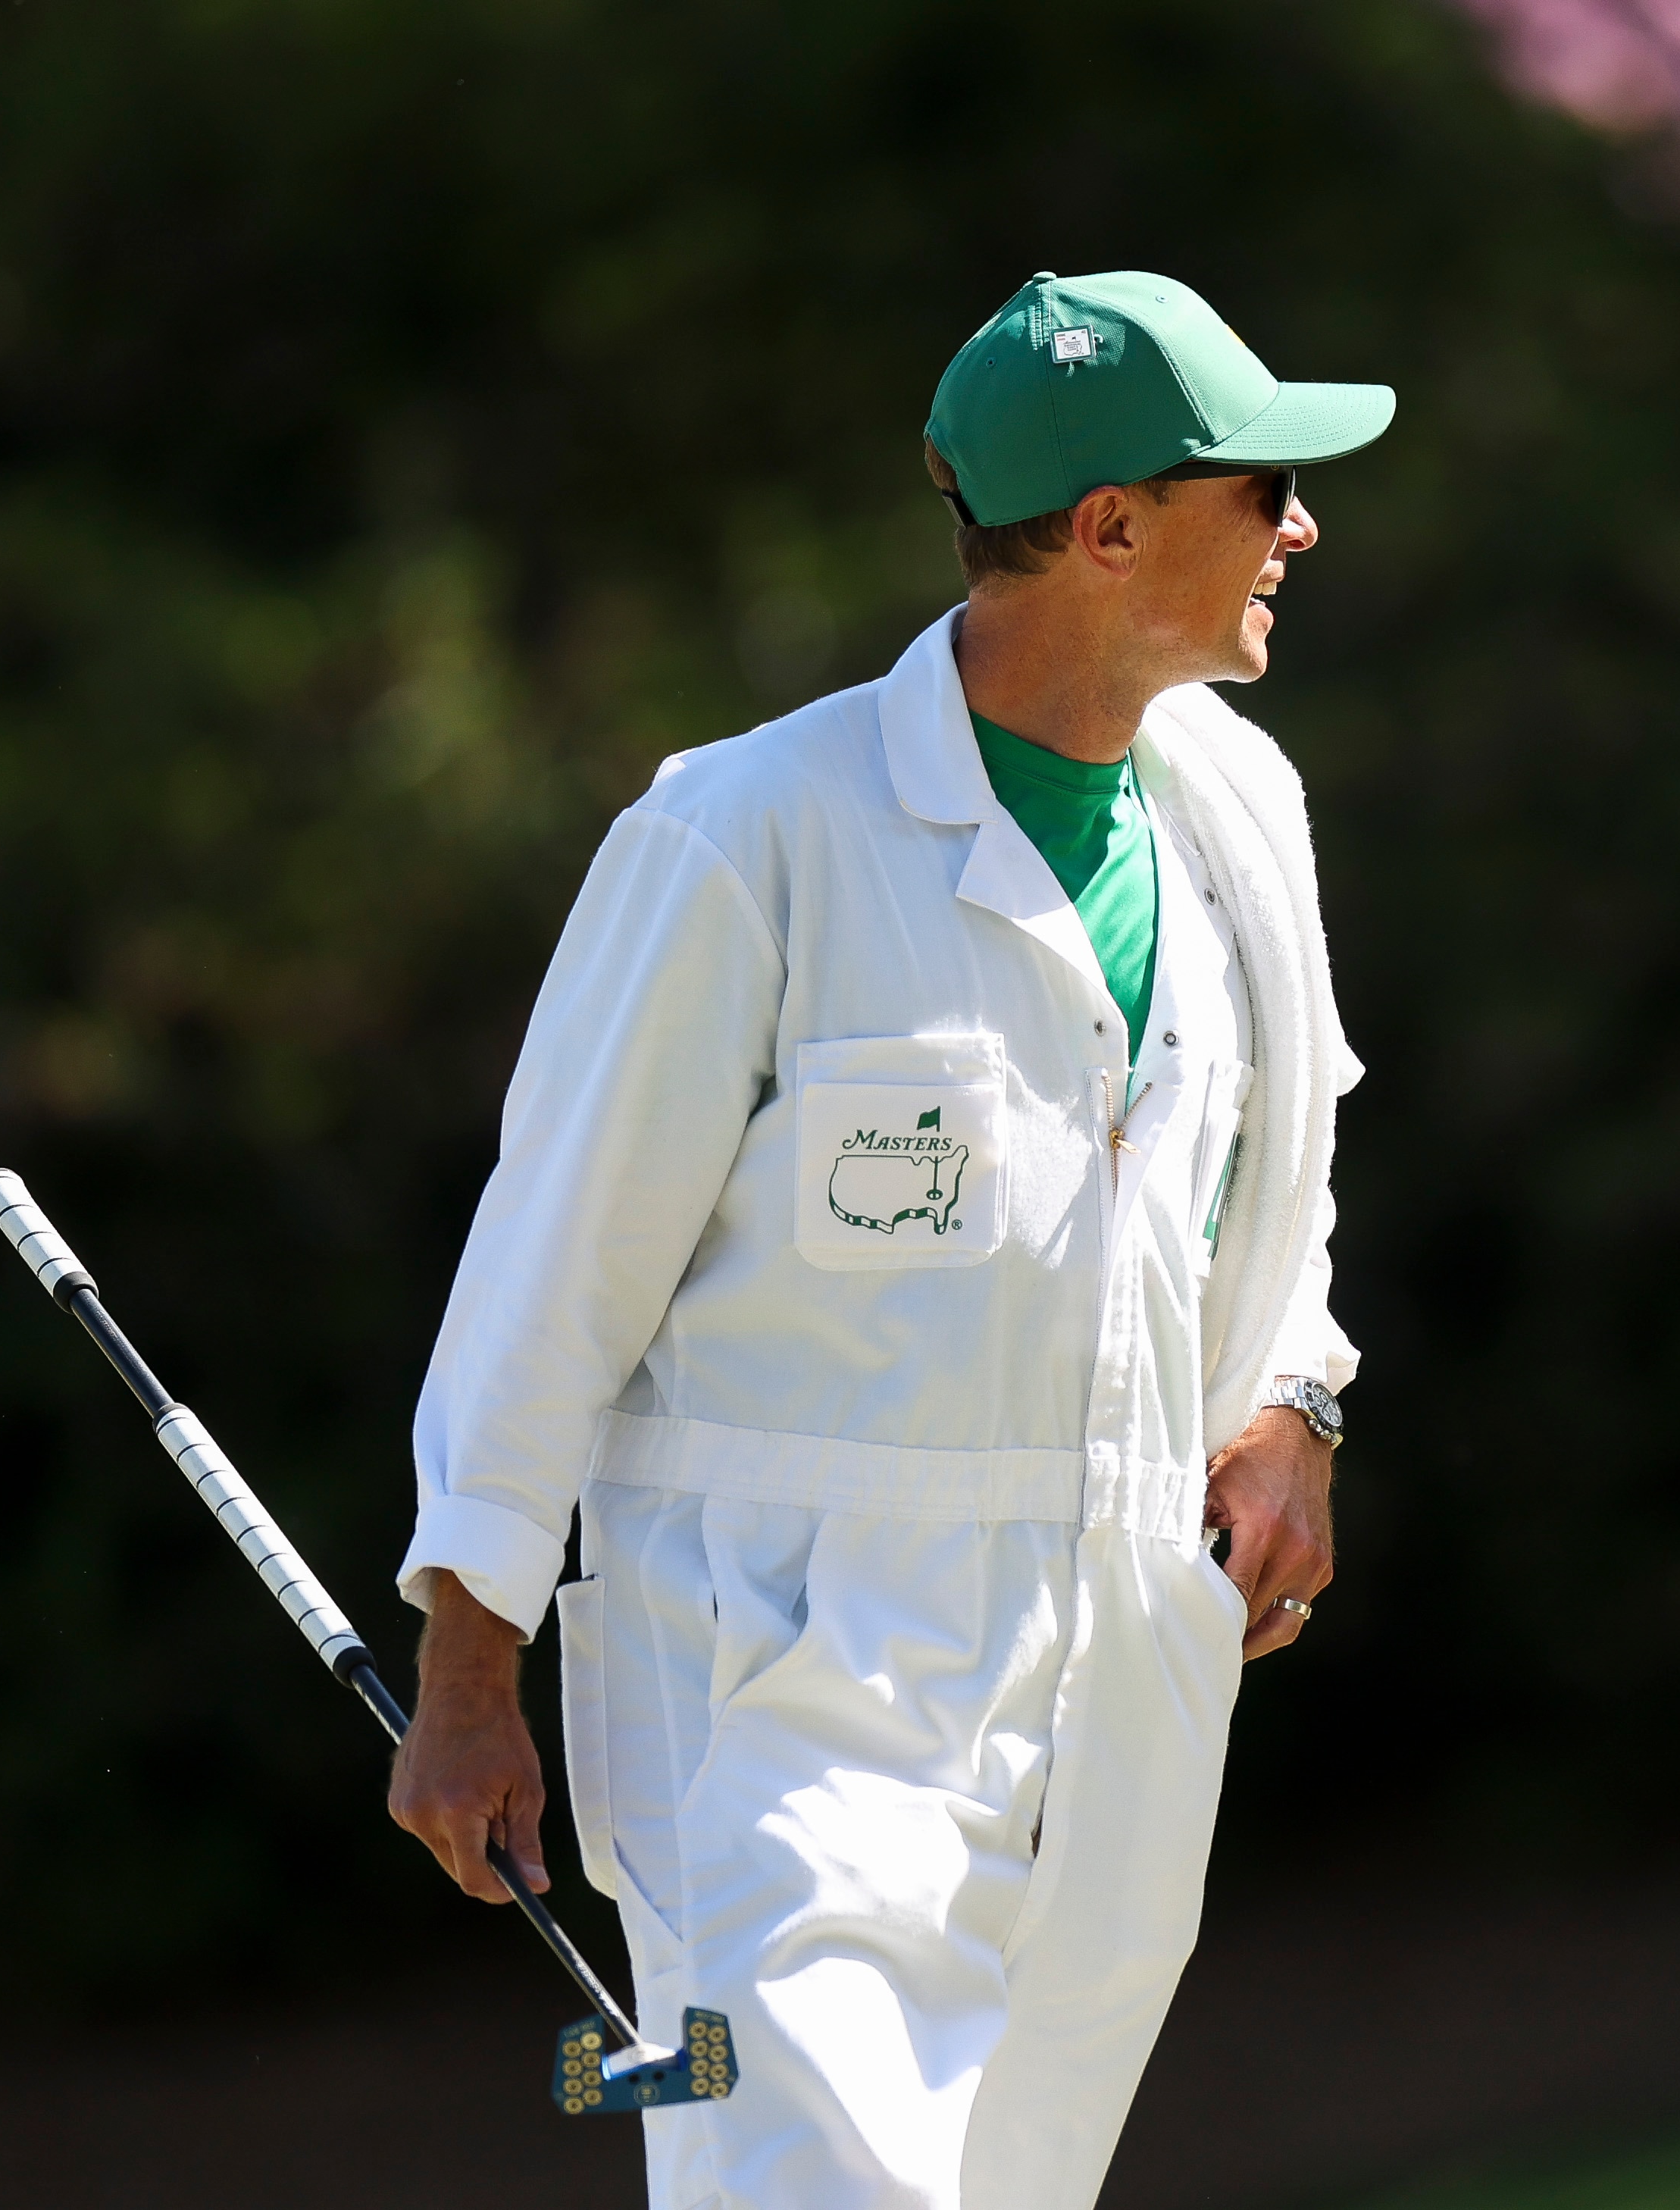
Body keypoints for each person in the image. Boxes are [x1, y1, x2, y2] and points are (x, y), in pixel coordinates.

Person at [383, 269, 1387, 2210]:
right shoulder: (738, 834)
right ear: (1111, 532)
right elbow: (552, 1265)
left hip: (1124, 1683)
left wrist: (1296, 1403)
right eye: (1260, 488)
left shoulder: (1244, 810)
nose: (1302, 524)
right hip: (781, 1701)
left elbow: (1290, 1168)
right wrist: (468, 1664)